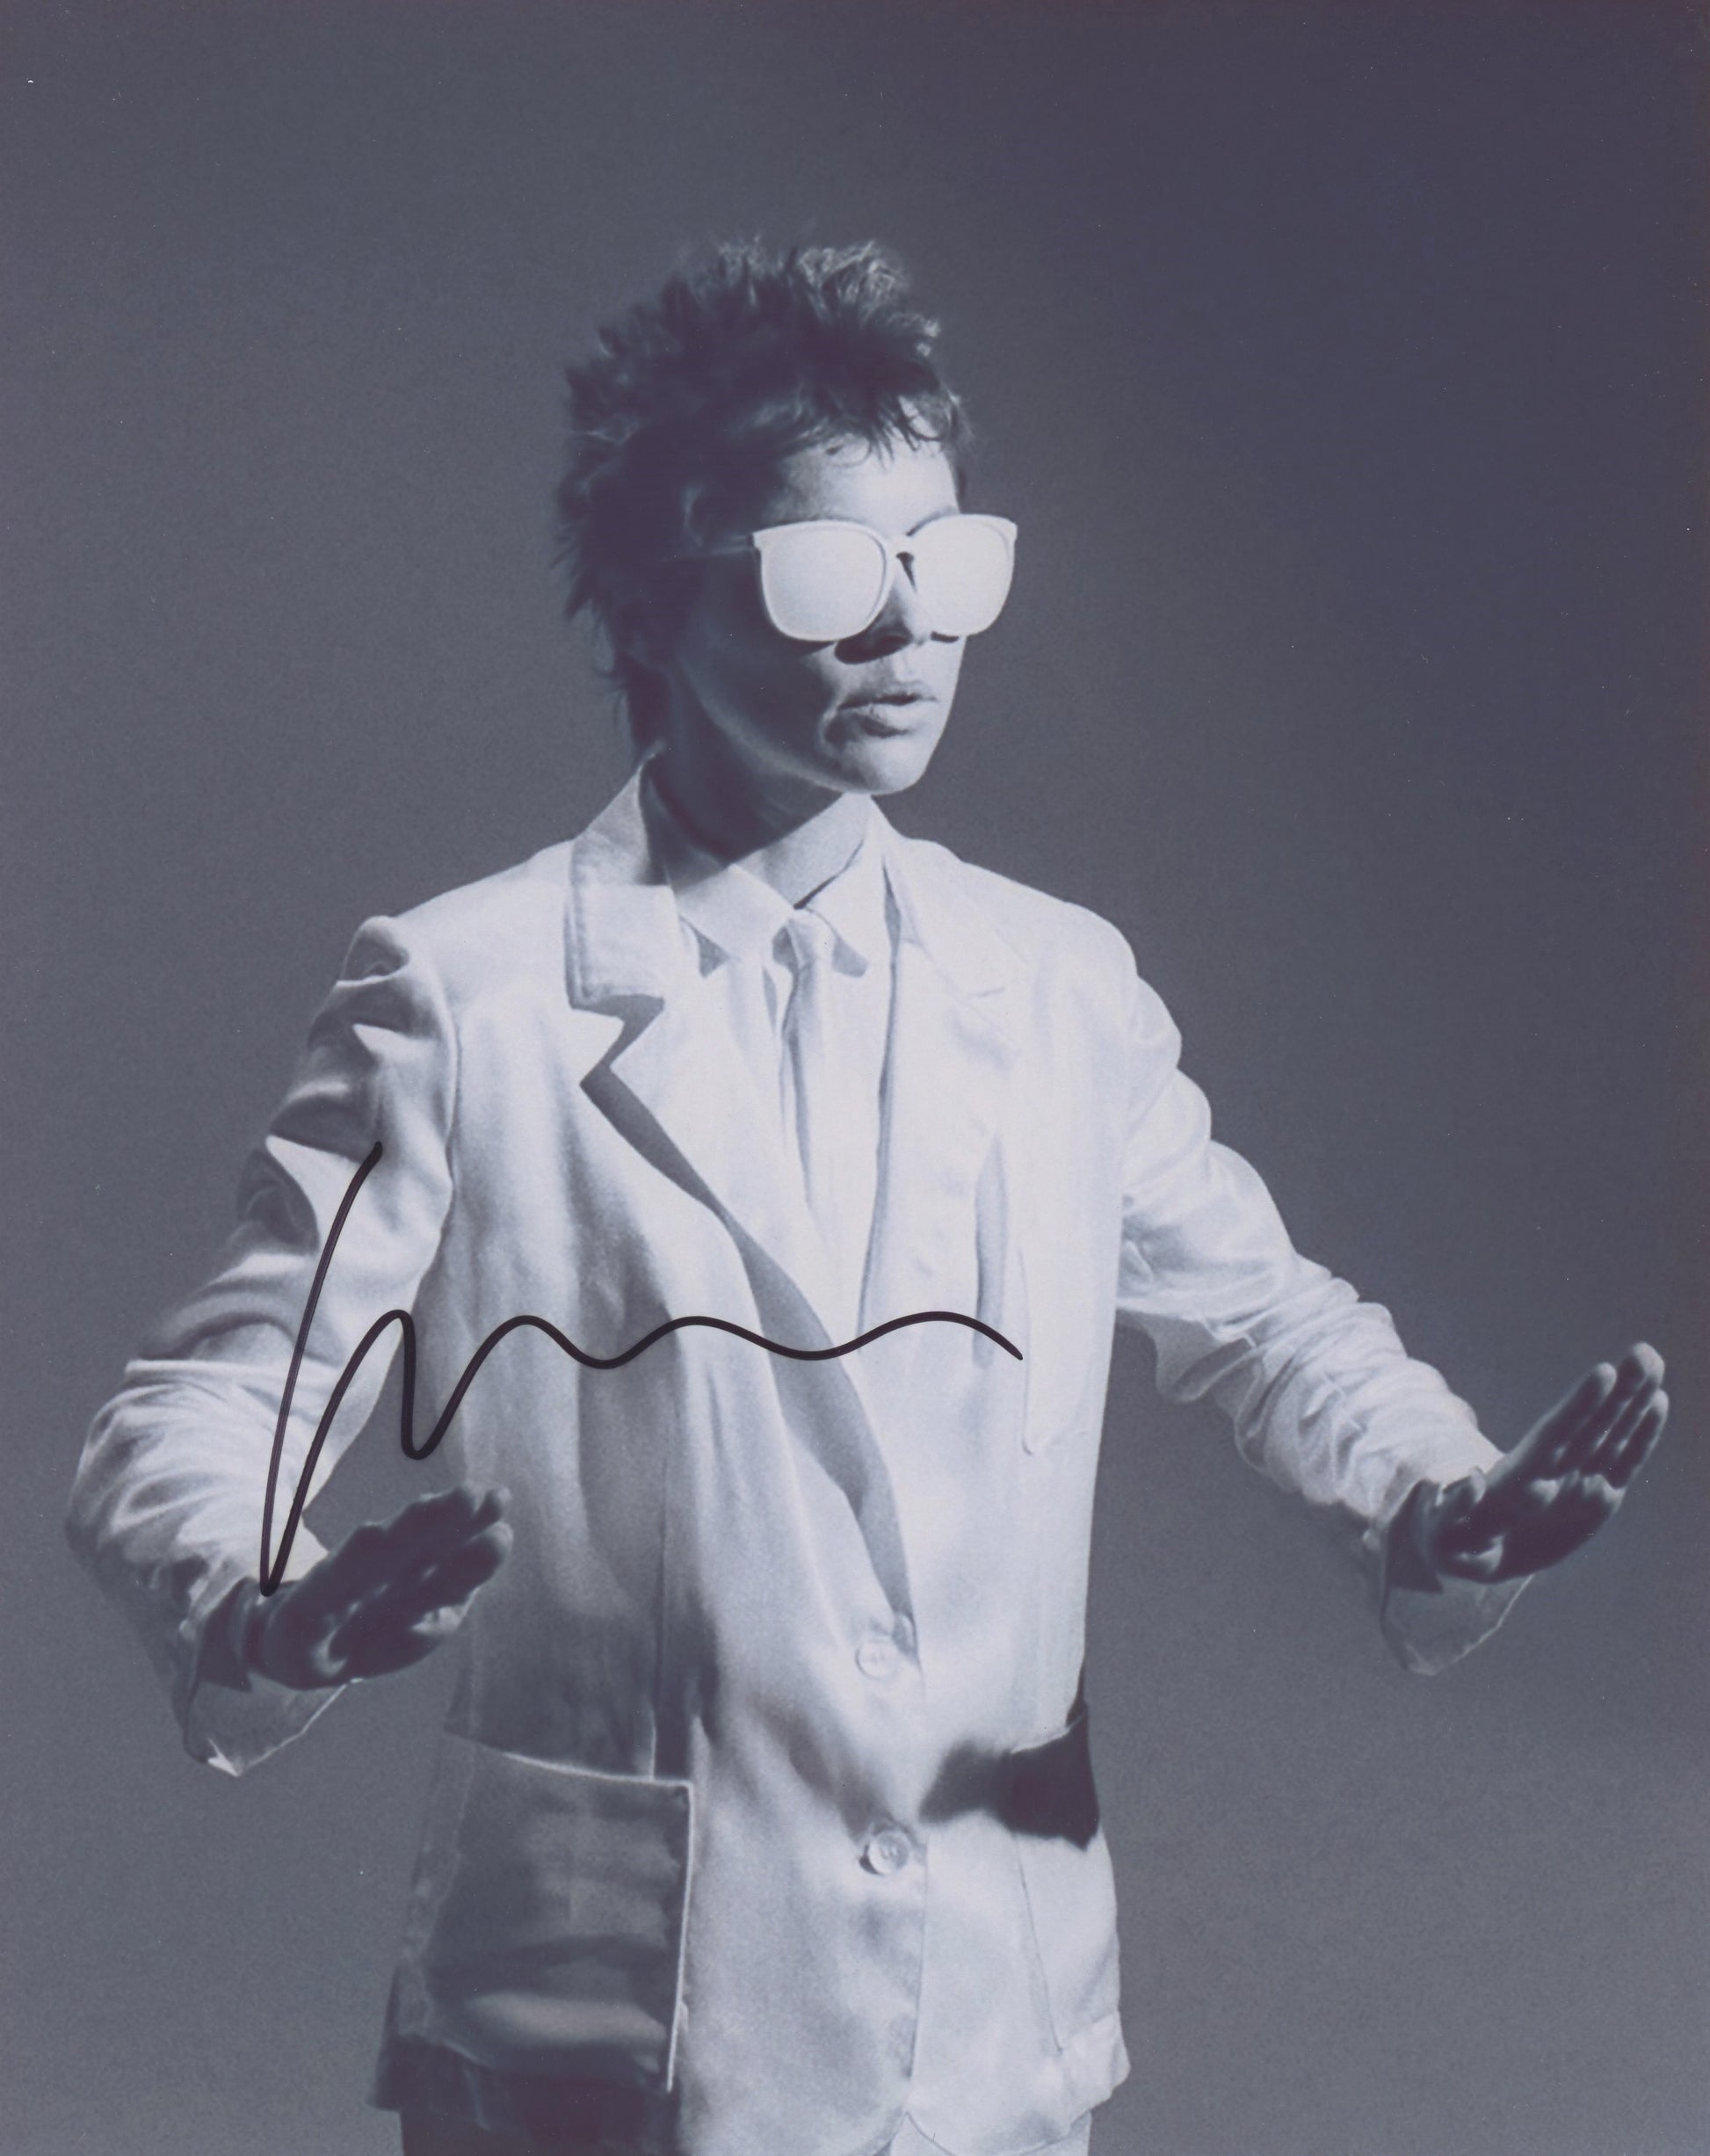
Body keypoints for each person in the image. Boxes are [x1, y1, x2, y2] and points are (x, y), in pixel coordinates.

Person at [64, 242, 1668, 2156]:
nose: (910, 631)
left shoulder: (1059, 986)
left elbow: (1266, 1323)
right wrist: (262, 1604)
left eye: (952, 562)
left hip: (993, 2012)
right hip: (608, 2036)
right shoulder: (465, 1000)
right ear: (650, 602)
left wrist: (1437, 1495)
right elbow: (199, 1411)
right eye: (832, 574)